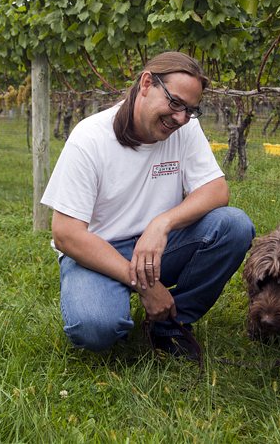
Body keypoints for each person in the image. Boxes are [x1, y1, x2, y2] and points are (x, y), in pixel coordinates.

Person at [41, 51, 255, 358]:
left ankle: (170, 327)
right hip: (96, 253)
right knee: (95, 328)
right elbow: (66, 234)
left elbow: (217, 190)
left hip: (158, 249)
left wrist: (161, 224)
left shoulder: (184, 129)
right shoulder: (89, 138)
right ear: (146, 84)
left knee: (234, 225)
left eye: (190, 110)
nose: (181, 117)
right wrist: (144, 285)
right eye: (175, 102)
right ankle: (124, 310)